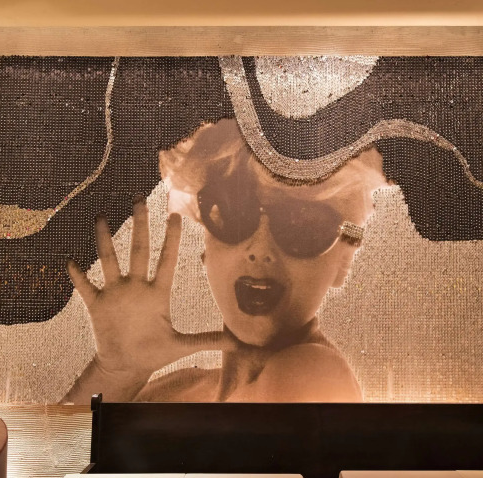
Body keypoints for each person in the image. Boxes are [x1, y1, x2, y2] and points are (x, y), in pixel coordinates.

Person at [62, 119, 387, 403]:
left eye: (302, 224)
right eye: (231, 213)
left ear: (344, 260)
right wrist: (116, 373)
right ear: (207, 247)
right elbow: (51, 456)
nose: (260, 248)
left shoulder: (315, 375)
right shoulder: (177, 389)